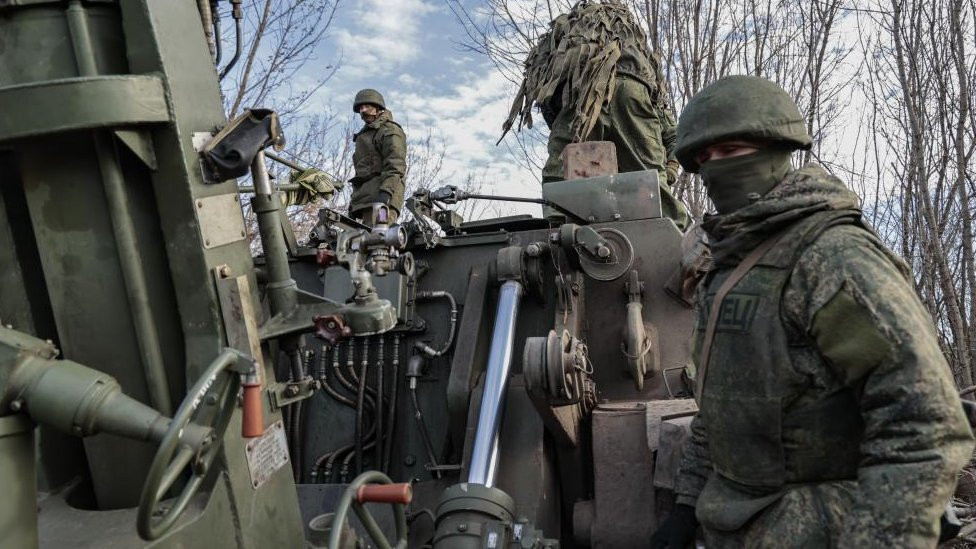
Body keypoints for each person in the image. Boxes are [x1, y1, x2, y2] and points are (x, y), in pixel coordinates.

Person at [651, 75, 974, 548]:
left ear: (776, 148)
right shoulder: (728, 270)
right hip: (735, 526)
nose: (716, 168)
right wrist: (684, 508)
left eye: (732, 150)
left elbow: (926, 424)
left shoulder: (832, 256)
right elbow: (722, 409)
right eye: (704, 159)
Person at [499, 0, 688, 229]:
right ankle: (681, 238)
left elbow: (545, 92)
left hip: (581, 93)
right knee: (650, 180)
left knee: (561, 174)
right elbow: (673, 132)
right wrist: (669, 169)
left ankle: (556, 233)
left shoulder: (572, 37)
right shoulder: (639, 54)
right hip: (632, 90)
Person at [349, 88, 406, 225]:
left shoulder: (390, 130)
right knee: (357, 243)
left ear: (378, 107)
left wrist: (385, 194)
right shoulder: (364, 135)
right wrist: (353, 204)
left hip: (382, 199)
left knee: (378, 239)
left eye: (367, 106)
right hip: (364, 200)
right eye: (361, 108)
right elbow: (361, 174)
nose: (363, 110)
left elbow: (395, 165)